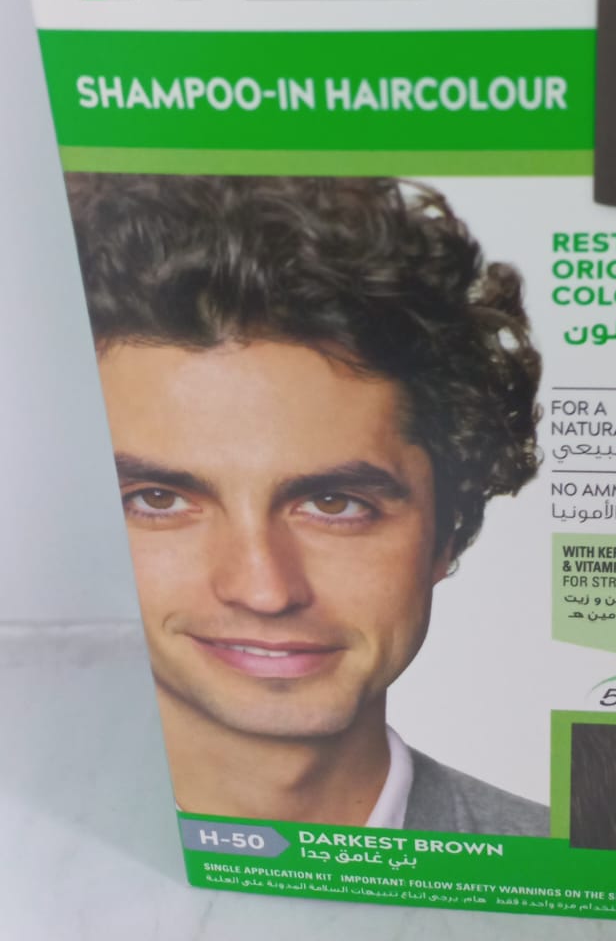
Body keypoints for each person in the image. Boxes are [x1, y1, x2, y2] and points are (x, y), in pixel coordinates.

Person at [66, 173, 548, 835]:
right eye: (159, 499)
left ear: (449, 532)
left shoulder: (580, 868)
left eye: (333, 504)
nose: (263, 590)